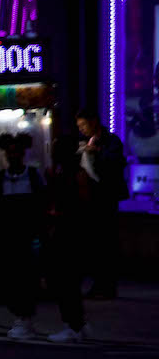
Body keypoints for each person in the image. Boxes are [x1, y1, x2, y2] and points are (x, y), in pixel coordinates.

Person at [0, 133, 46, 339]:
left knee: (26, 278)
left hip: (26, 236)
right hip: (8, 236)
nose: (12, 156)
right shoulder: (1, 178)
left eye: (16, 152)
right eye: (9, 152)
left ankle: (25, 317)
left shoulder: (32, 175)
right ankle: (21, 316)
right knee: (12, 278)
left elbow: (41, 204)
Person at [75, 109, 128, 298]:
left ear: (94, 122)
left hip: (106, 198)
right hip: (91, 198)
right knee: (96, 243)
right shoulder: (87, 142)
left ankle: (107, 285)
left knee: (106, 243)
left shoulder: (111, 141)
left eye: (83, 125)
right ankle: (99, 284)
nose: (81, 130)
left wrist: (96, 151)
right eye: (79, 127)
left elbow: (116, 163)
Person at [46, 132, 93, 342]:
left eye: (56, 147)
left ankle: (72, 325)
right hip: (70, 231)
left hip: (70, 232)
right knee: (67, 281)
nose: (52, 150)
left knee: (66, 280)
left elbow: (82, 203)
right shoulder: (66, 171)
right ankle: (78, 324)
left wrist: (59, 214)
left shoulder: (73, 173)